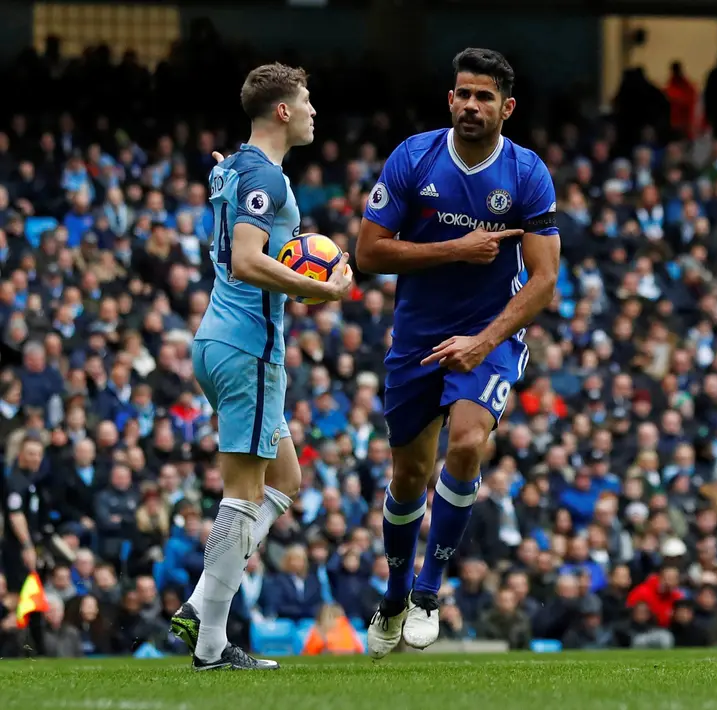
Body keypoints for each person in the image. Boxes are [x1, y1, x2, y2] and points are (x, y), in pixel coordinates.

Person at [356, 47, 559, 658]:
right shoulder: (413, 157)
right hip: (416, 338)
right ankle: (393, 597)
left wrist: (485, 341)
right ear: (451, 99)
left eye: (485, 97)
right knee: (409, 476)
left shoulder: (527, 174)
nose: (472, 105)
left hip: (488, 334)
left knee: (469, 443)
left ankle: (427, 591)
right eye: (463, 94)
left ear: (507, 107)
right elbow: (368, 254)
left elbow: (545, 280)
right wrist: (454, 249)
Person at [168, 63, 352, 671]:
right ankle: (211, 641)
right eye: (306, 101)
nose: (312, 112)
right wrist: (316, 288)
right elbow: (247, 260)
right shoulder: (262, 179)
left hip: (222, 343)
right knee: (243, 494)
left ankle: (201, 602)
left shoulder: (235, 170)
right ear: (282, 111)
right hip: (247, 347)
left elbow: (235, 235)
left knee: (287, 480)